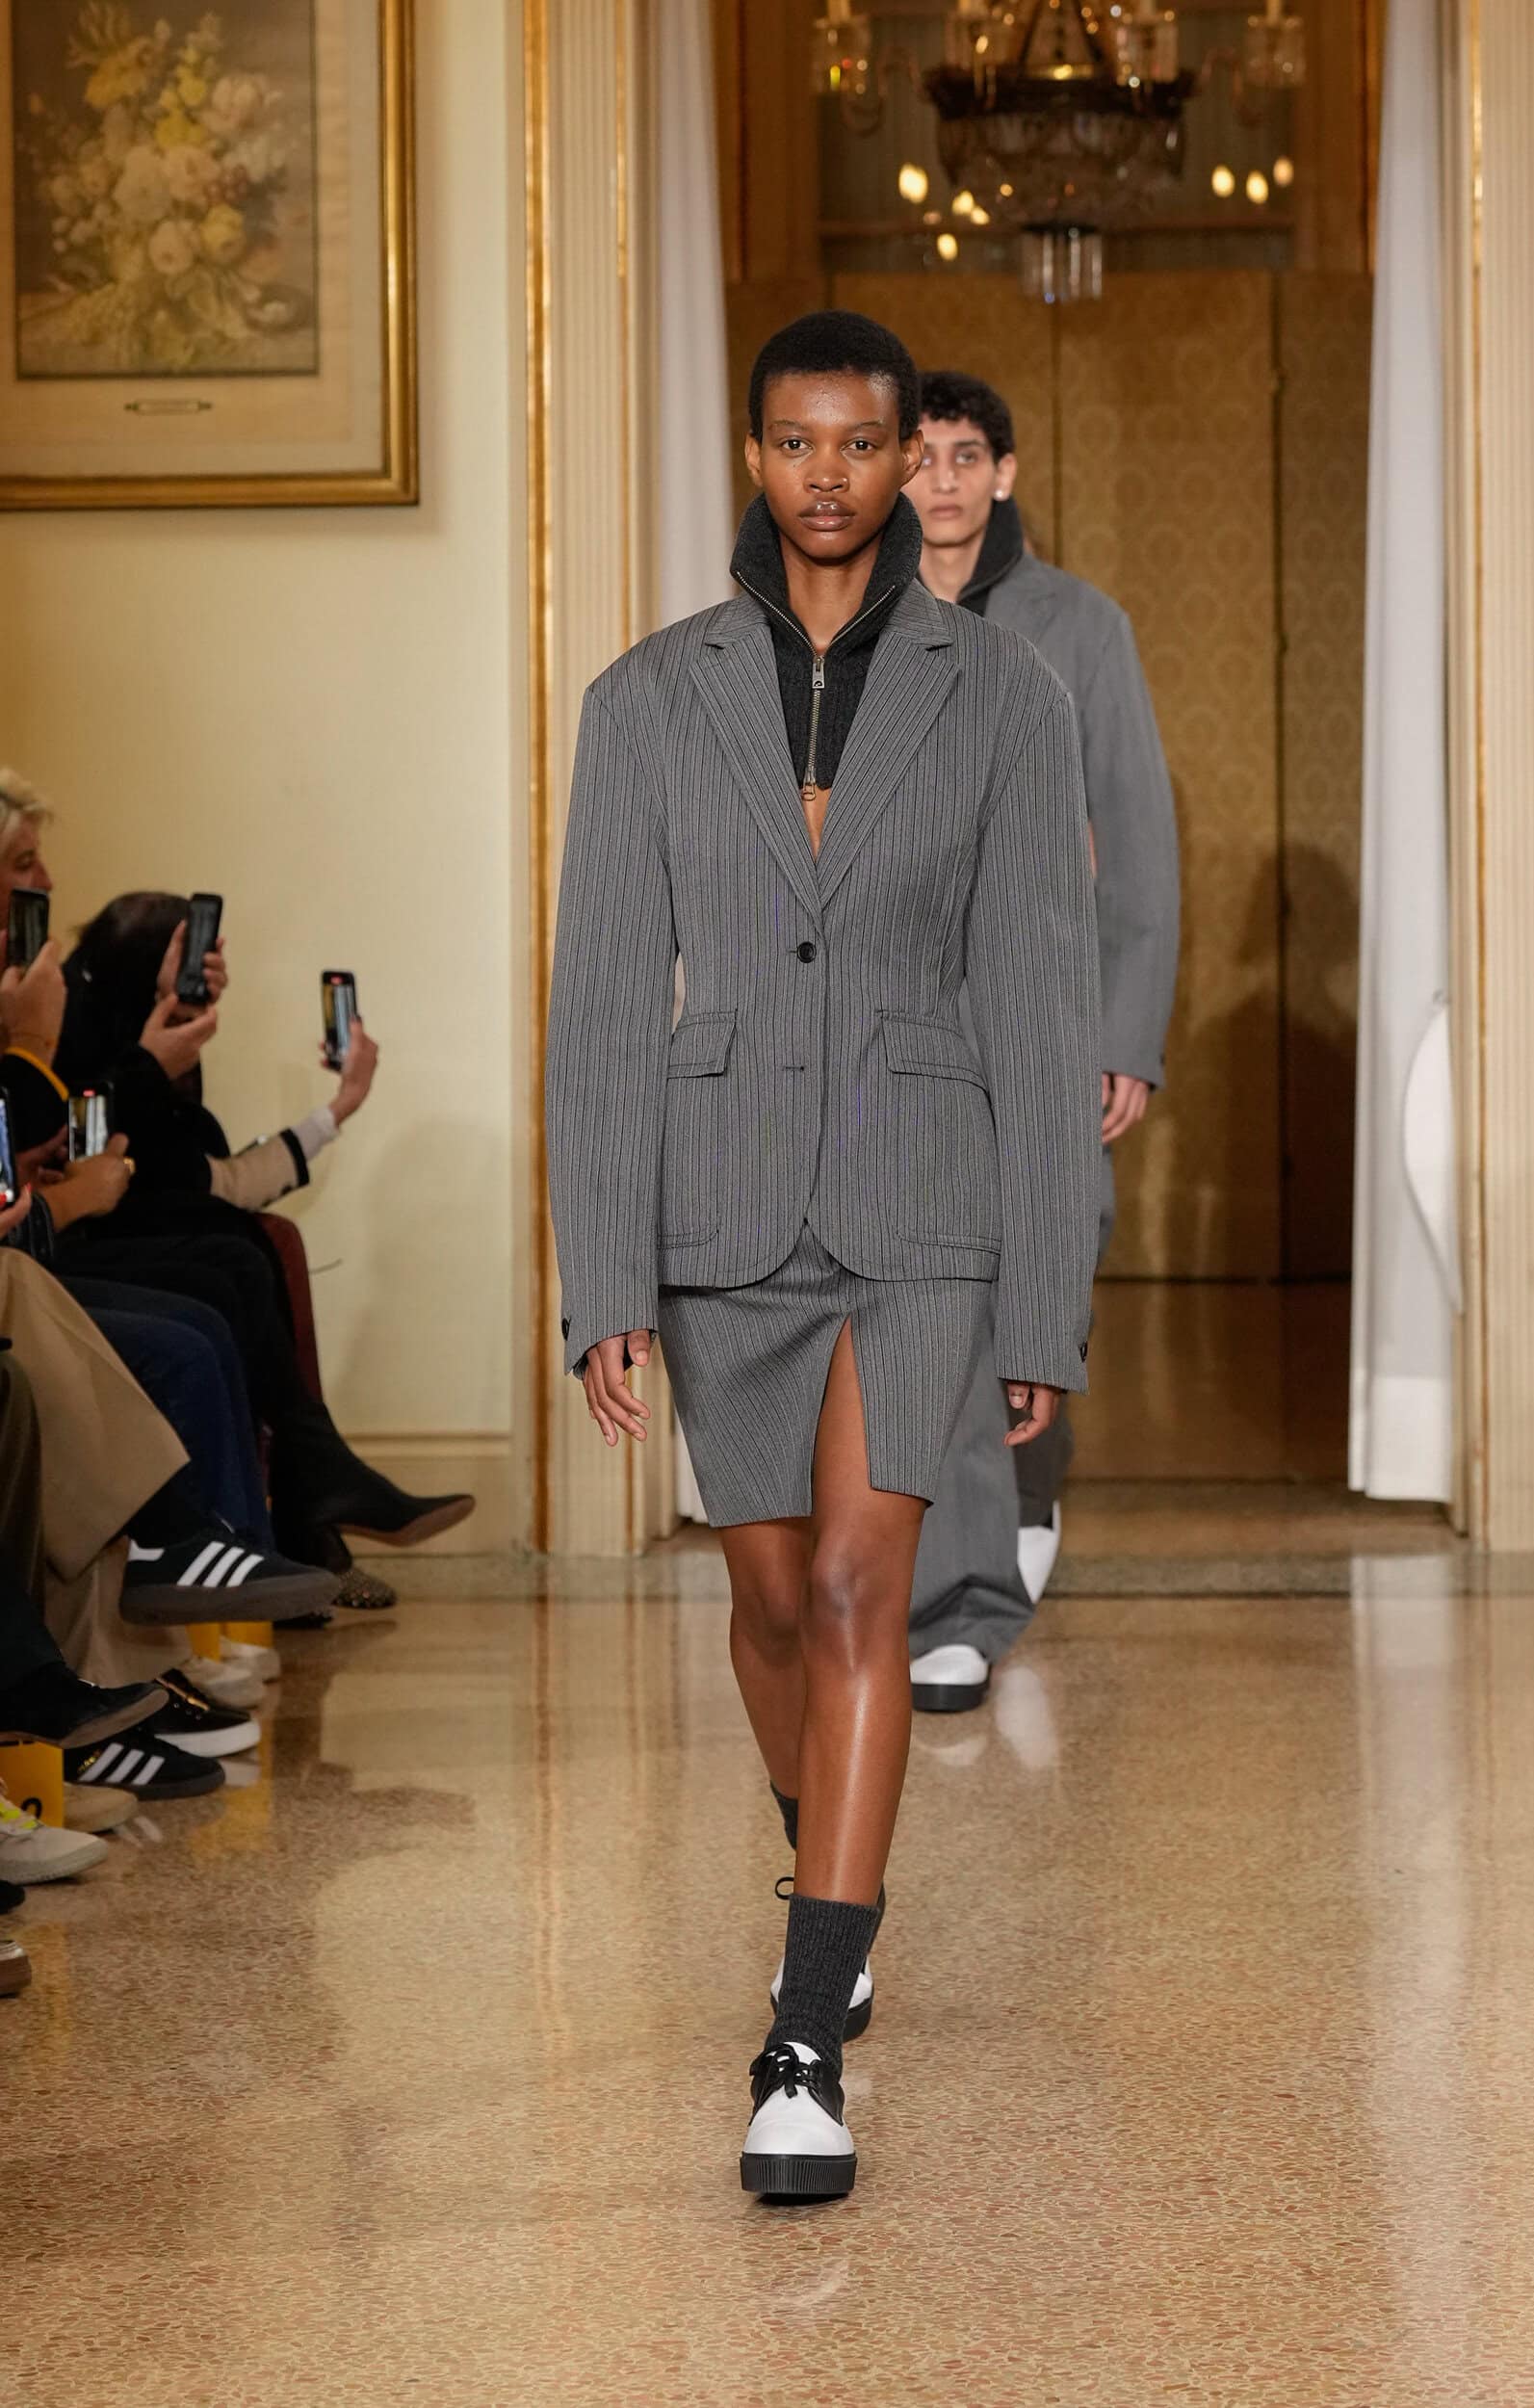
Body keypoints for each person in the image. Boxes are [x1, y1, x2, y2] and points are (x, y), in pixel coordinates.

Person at [546, 311, 1102, 2199]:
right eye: (797, 441)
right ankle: (824, 1867)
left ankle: (802, 2040)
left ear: (903, 458)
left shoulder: (1004, 697)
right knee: (776, 1604)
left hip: (924, 1202)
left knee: (869, 1588)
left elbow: (1037, 1006)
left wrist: (1043, 1296)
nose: (831, 474)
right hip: (720, 1215)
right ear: (756, 456)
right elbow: (602, 1010)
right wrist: (604, 1276)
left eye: (862, 442)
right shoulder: (645, 701)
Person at [901, 368, 1181, 1711]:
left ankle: (1023, 1490)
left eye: (965, 456)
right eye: (920, 457)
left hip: (1048, 1015)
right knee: (930, 1288)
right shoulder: (852, 616)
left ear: (1002, 473)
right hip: (900, 1020)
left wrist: (1125, 1032)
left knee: (1046, 1263)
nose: (942, 481)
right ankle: (958, 1586)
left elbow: (1136, 833)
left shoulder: (1080, 625)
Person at [50, 891, 473, 1561]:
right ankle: (298, 1515)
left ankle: (310, 1512)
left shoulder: (146, 1048)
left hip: (137, 1230)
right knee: (238, 1259)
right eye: (185, 959)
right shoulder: (87, 1045)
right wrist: (158, 1054)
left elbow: (211, 1177)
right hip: (75, 1247)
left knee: (255, 1247)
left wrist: (339, 1107)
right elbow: (197, 1180)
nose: (207, 975)